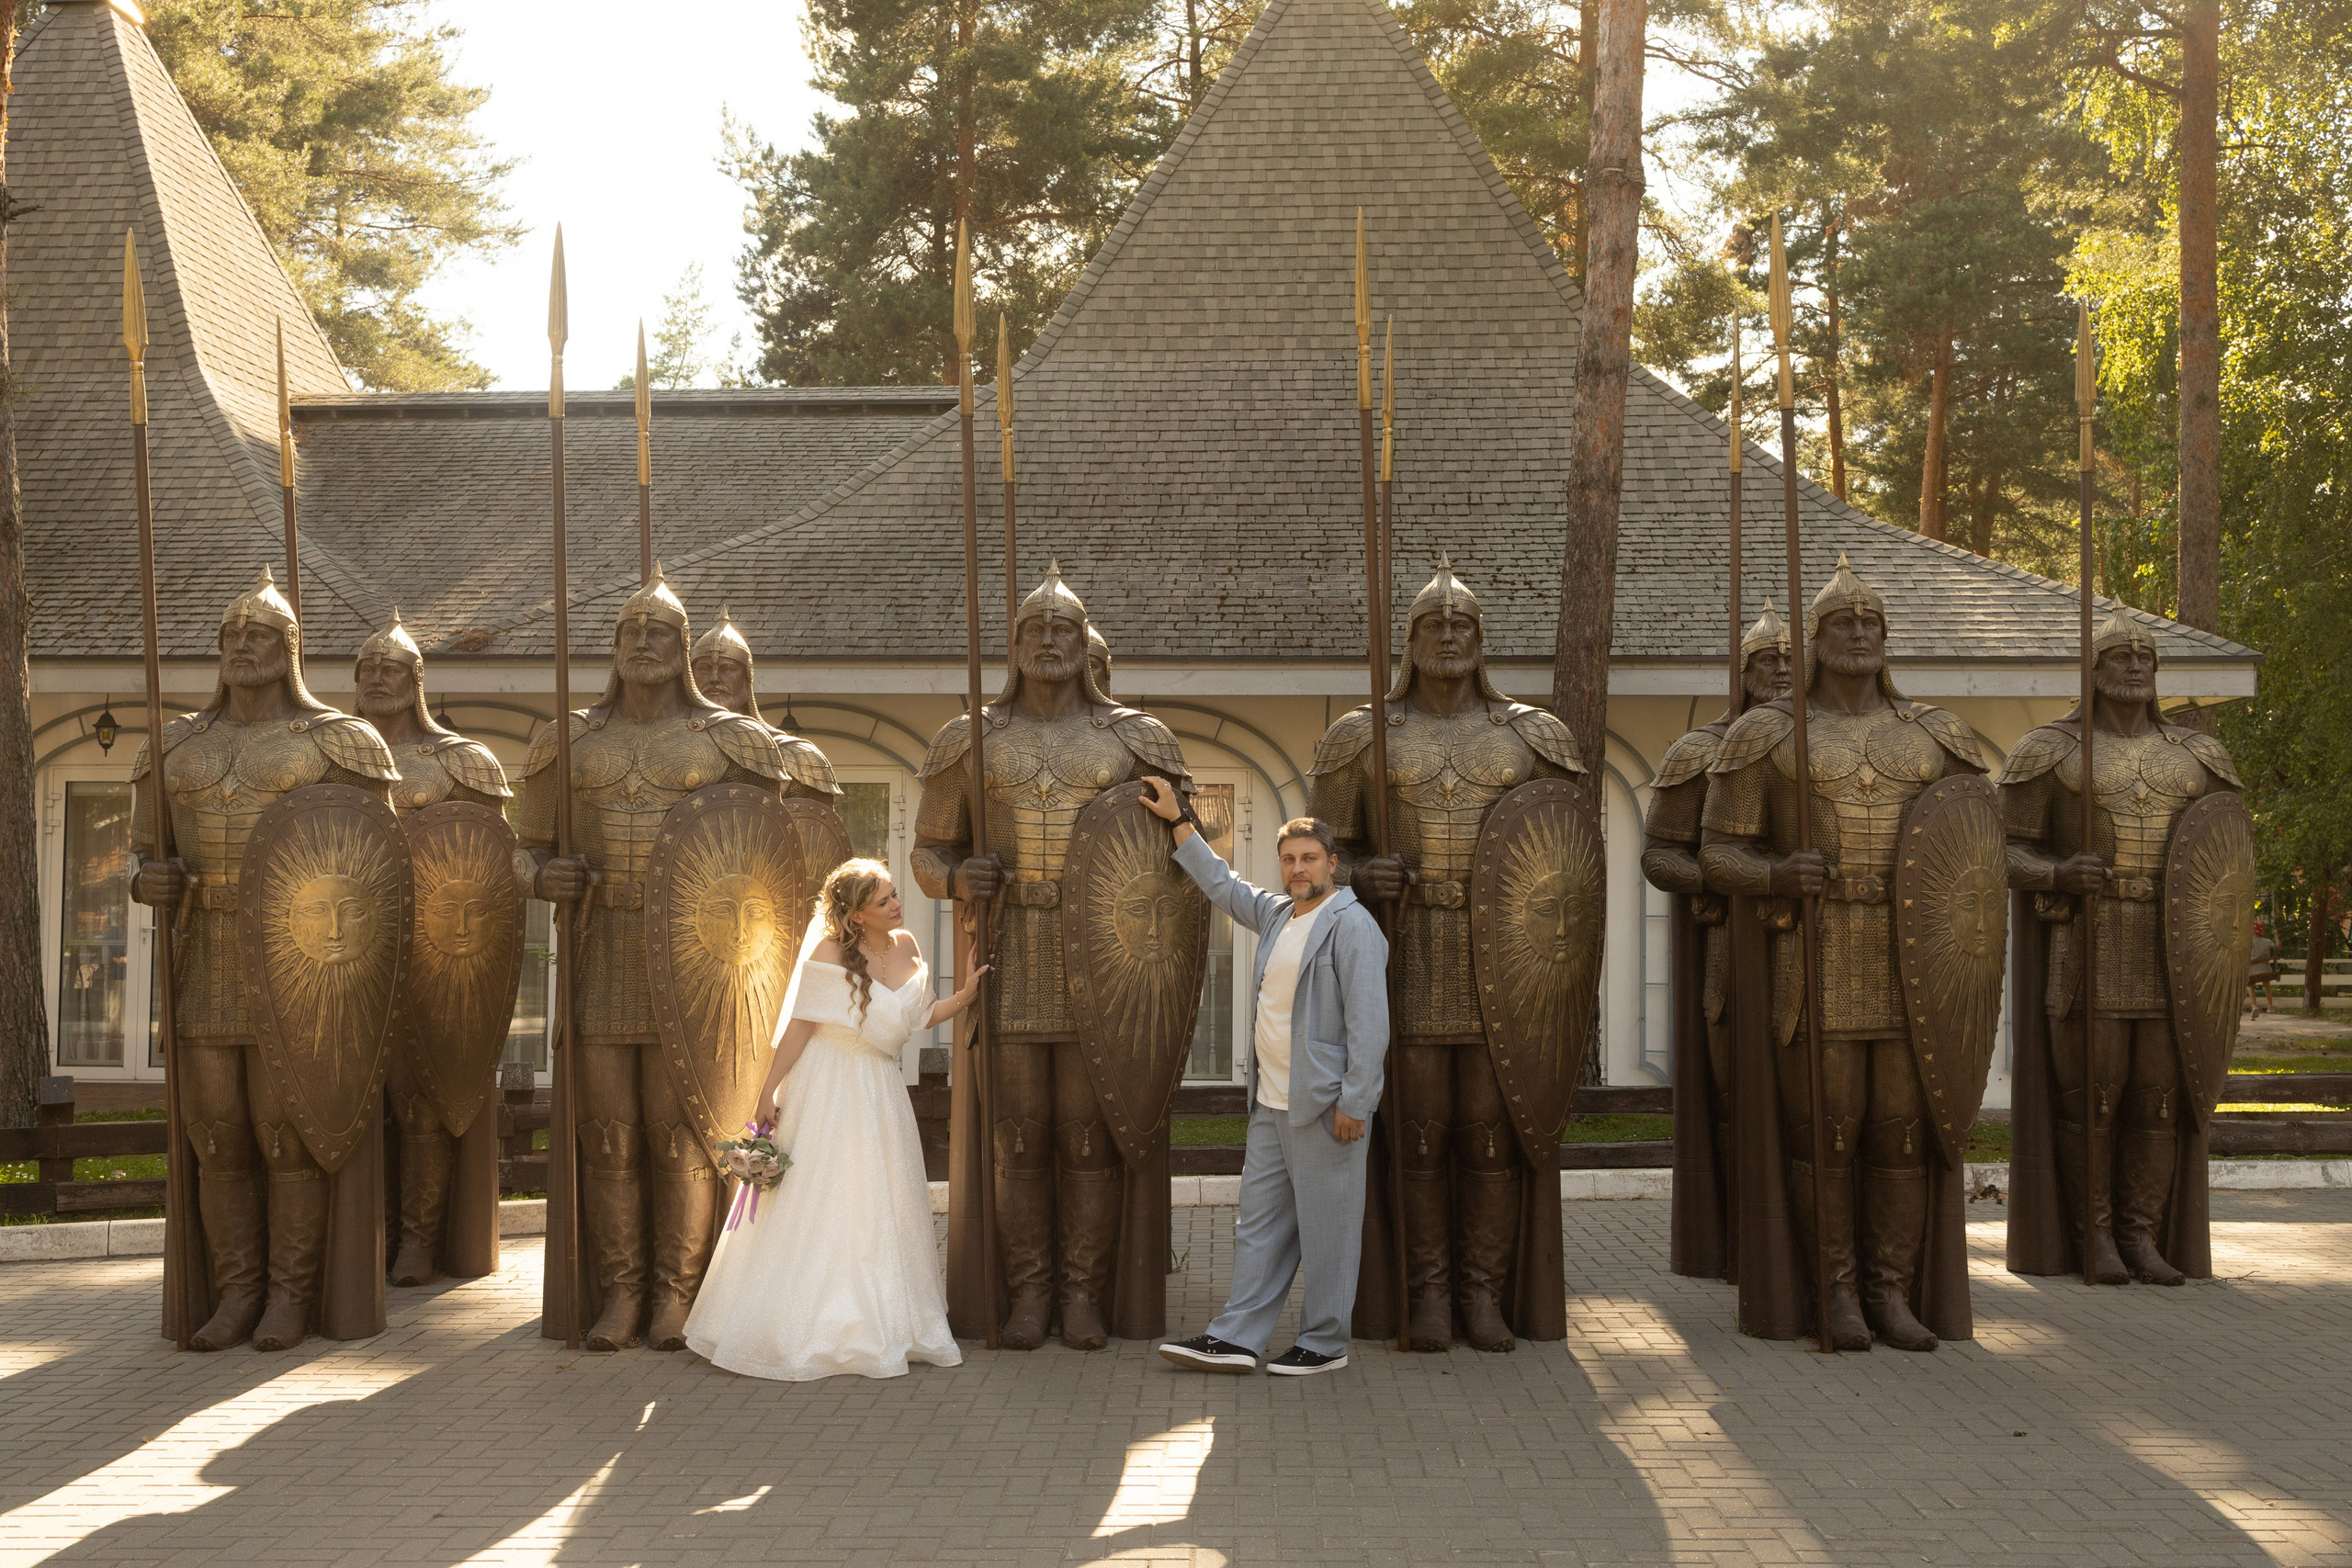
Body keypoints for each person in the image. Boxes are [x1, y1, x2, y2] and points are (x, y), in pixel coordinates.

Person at [1701, 556, 1999, 1351]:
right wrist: (1774, 871)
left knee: (1899, 1131)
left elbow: (1980, 839)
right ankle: (1832, 1290)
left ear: (1886, 637)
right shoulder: (1769, 736)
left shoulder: (1936, 735)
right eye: (1841, 622)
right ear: (1816, 639)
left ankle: (1890, 1291)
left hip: (1916, 963)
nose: (1858, 631)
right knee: (1827, 1130)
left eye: (1870, 622)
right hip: (1818, 956)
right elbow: (1716, 852)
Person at [912, 565, 1201, 1351]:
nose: (1048, 640)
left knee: (1085, 1133)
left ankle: (1081, 1294)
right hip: (1009, 955)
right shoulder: (970, 738)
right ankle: (1030, 1293)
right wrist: (956, 876)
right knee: (1019, 1135)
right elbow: (927, 852)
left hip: (1104, 964)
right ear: (1013, 644)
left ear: (1083, 642)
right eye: (1034, 629)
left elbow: (1183, 849)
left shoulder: (1136, 738)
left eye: (1063, 630)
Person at [1310, 558, 1594, 1353]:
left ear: (1481, 638)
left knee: (1491, 1133)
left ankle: (1483, 1294)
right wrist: (1367, 872)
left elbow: (1569, 857)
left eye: (1460, 624)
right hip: (1408, 958)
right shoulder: (1364, 735)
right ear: (1407, 640)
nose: (1446, 635)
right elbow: (1318, 858)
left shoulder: (1532, 737)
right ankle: (1427, 1292)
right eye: (1432, 625)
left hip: (1508, 962)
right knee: (1422, 1130)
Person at [130, 569, 399, 1351]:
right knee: (217, 1136)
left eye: (260, 635)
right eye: (232, 636)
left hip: (302, 967)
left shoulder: (339, 742)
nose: (243, 646)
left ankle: (289, 1295)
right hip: (206, 956)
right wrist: (148, 878)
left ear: (290, 650)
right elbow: (146, 852)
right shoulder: (174, 743)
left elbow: (378, 864)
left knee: (286, 1134)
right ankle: (237, 1292)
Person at [1999, 610, 2253, 1287]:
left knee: (2157, 1099)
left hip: (2177, 952)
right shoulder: (2051, 751)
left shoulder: (2198, 757)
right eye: (2121, 656)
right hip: (2091, 944)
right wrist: (2056, 873)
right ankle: (2096, 1236)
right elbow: (1999, 848)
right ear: (2095, 670)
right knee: (2093, 1097)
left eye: (2146, 657)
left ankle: (2142, 1233)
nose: (2136, 666)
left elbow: (2230, 853)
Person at [684, 860, 987, 1381]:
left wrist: (965, 996)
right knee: (820, 1197)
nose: (897, 904)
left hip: (880, 1088)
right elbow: (800, 1028)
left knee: (879, 1198)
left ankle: (884, 1321)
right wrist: (766, 1093)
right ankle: (800, 1326)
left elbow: (919, 1016)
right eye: (885, 900)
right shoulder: (827, 953)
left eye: (893, 895)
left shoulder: (909, 945)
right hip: (826, 1084)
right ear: (855, 913)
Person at [1148, 783, 1391, 1376]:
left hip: (1325, 1107)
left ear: (1332, 863)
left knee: (1329, 1230)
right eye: (1289, 859)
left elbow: (1370, 1026)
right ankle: (1237, 1336)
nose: (1298, 868)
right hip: (1270, 1106)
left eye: (1310, 858)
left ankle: (1326, 1340)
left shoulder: (1351, 926)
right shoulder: (1278, 914)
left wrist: (1356, 1101)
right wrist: (1180, 820)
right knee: (1256, 1227)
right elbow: (1223, 884)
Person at [352, 610, 515, 1290]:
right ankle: (370, 1232)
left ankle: (419, 1238)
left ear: (418, 678)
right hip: (348, 954)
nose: (379, 678)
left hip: (438, 955)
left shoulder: (461, 761)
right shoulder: (332, 750)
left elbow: (498, 865)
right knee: (357, 1103)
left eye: (393, 668)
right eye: (368, 670)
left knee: (419, 1100)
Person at [1641, 601, 1792, 1281]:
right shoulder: (1701, 751)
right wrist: (1718, 875)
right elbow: (1658, 854)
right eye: (1767, 661)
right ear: (1742, 671)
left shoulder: (1818, 744)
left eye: (1791, 660)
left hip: (1817, 944)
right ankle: (1739, 1231)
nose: (1781, 671)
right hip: (1733, 945)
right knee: (1737, 1089)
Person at [2248, 922, 2278, 1015]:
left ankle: (2254, 1006)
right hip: (2265, 970)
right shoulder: (2267, 941)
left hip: (2252, 971)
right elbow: (2278, 947)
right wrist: (2276, 935)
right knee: (2267, 984)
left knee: (2250, 985)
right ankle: (2270, 1006)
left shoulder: (2249, 942)